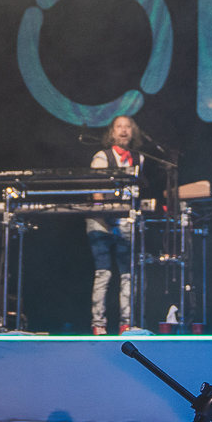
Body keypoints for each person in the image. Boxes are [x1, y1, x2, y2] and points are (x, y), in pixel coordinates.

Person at [86, 115, 143, 335]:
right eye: (119, 126)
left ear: (133, 132)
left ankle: (126, 323)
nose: (124, 130)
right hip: (100, 221)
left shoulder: (139, 159)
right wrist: (103, 208)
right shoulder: (102, 156)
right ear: (112, 132)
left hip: (125, 219)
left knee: (128, 273)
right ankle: (98, 324)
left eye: (128, 126)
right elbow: (96, 186)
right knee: (104, 273)